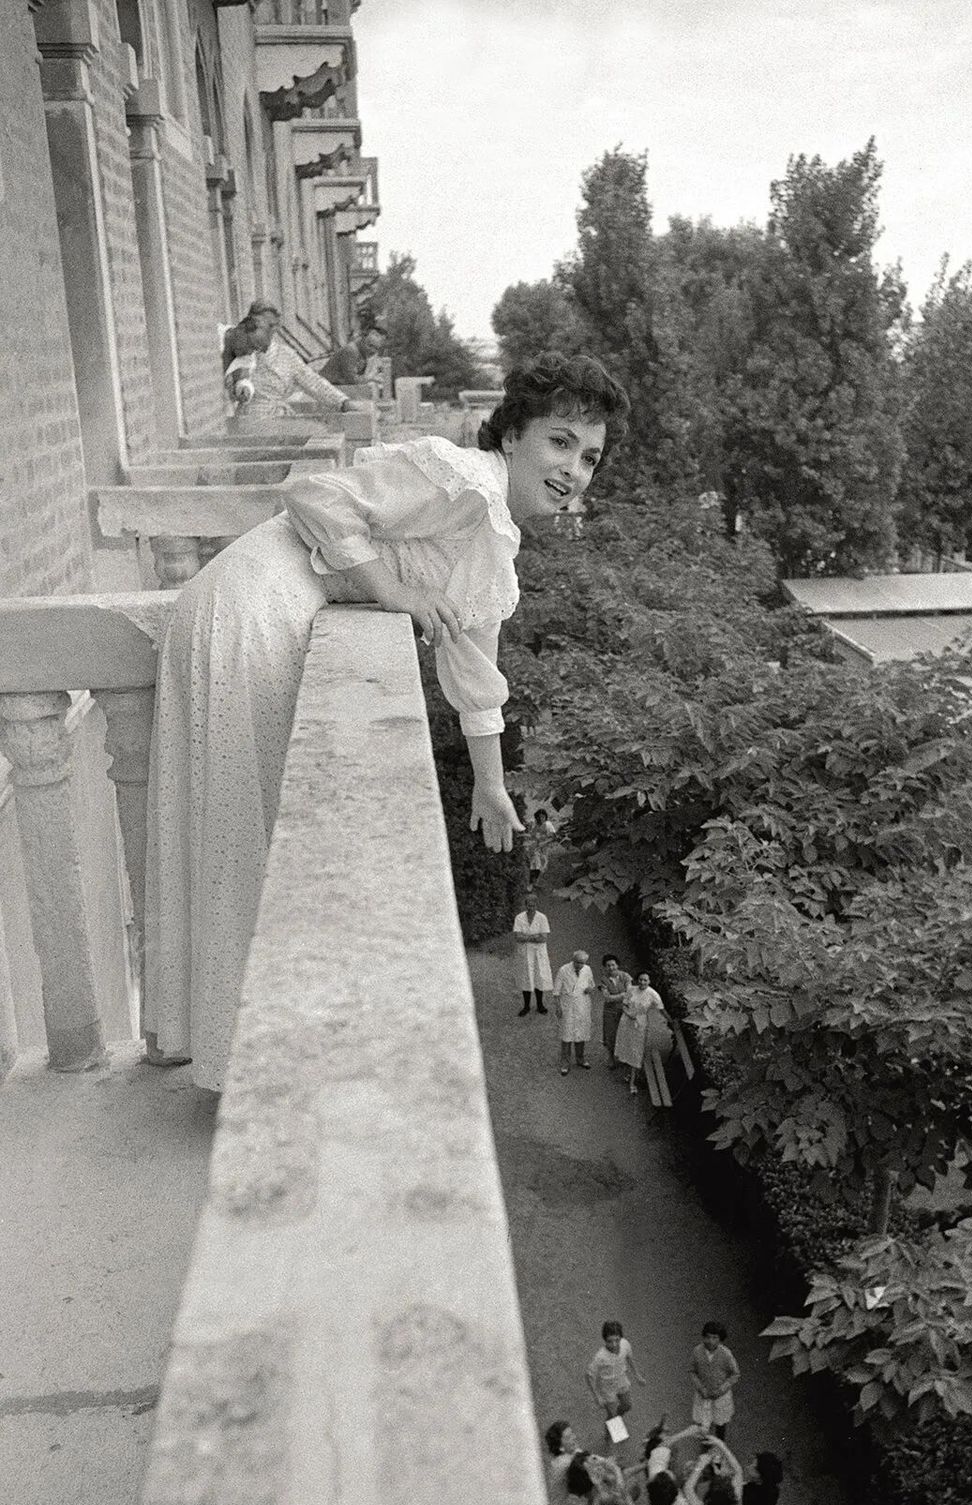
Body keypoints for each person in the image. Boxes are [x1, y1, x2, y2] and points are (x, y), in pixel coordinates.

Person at [142, 352, 629, 1089]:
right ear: (513, 436)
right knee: (248, 838)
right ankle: (246, 1068)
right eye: (559, 441)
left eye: (589, 457)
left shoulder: (492, 538)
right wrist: (393, 590)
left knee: (253, 838)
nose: (574, 469)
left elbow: (473, 672)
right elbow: (315, 496)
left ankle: (234, 1055)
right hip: (254, 604)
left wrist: (490, 786)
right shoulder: (461, 481)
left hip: (275, 613)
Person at [222, 300, 369, 418]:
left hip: (276, 419)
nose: (269, 329)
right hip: (243, 420)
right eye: (261, 324)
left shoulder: (285, 355)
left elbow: (313, 382)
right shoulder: (239, 349)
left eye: (273, 326)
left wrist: (343, 402)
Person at [586, 1319, 646, 1431]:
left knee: (627, 1405)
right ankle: (611, 1430)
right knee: (613, 1417)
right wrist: (597, 1396)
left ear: (621, 1338)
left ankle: (613, 1420)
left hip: (622, 1383)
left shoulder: (625, 1344)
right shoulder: (600, 1357)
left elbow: (629, 1358)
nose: (614, 1344)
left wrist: (637, 1375)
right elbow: (589, 1375)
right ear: (605, 1340)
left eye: (617, 1340)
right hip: (608, 1389)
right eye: (610, 1341)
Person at [614, 972, 668, 1096]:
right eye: (640, 980)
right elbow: (624, 1004)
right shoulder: (631, 990)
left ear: (649, 981)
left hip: (640, 1024)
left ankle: (632, 1082)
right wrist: (628, 1013)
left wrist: (670, 1020)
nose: (642, 982)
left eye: (645, 980)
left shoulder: (653, 994)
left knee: (636, 1051)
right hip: (626, 1022)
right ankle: (631, 1074)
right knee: (628, 1047)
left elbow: (661, 1008)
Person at [690, 1322, 740, 1441]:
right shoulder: (697, 1351)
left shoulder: (726, 1354)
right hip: (704, 1394)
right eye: (708, 1337)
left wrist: (722, 1389)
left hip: (720, 1395)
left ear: (720, 1339)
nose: (711, 1341)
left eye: (714, 1338)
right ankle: (706, 1446)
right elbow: (692, 1371)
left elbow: (735, 1373)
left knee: (720, 1423)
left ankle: (718, 1447)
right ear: (703, 1337)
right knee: (704, 1422)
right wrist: (700, 1388)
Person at [553, 949, 595, 1075]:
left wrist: (590, 989)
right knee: (566, 1035)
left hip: (582, 1004)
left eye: (582, 963)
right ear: (573, 960)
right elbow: (556, 992)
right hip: (568, 1005)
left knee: (581, 1033)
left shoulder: (587, 969)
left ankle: (580, 1059)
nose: (580, 965)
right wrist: (558, 1007)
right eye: (577, 962)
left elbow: (591, 984)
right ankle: (565, 1063)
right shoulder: (563, 970)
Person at [513, 891, 551, 1015]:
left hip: (538, 954)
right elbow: (517, 936)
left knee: (539, 977)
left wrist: (527, 937)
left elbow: (544, 937)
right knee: (526, 978)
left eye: (533, 905)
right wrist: (534, 937)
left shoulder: (542, 917)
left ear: (536, 905)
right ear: (526, 905)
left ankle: (540, 1005)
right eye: (529, 905)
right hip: (524, 953)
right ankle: (526, 1006)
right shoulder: (519, 918)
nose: (531, 908)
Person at [321, 322, 387, 393]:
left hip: (339, 388)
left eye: (376, 348)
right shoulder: (351, 350)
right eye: (370, 346)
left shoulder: (364, 353)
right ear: (362, 339)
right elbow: (353, 380)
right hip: (326, 389)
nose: (372, 351)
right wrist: (371, 378)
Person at [597, 953, 632, 1070]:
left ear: (617, 965)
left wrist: (617, 996)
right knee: (610, 1034)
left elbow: (630, 993)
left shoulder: (625, 976)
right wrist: (622, 995)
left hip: (625, 1009)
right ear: (605, 967)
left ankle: (624, 1056)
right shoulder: (604, 979)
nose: (611, 968)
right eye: (608, 966)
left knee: (625, 1032)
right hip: (610, 1011)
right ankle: (611, 1057)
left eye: (613, 965)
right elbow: (607, 997)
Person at [526, 806, 559, 878]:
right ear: (536, 817)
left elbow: (554, 838)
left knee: (542, 861)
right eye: (539, 817)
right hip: (535, 845)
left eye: (543, 817)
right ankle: (534, 877)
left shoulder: (548, 825)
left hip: (544, 845)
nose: (541, 819)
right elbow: (532, 835)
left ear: (545, 817)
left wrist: (544, 843)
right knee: (535, 860)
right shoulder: (535, 824)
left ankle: (539, 876)